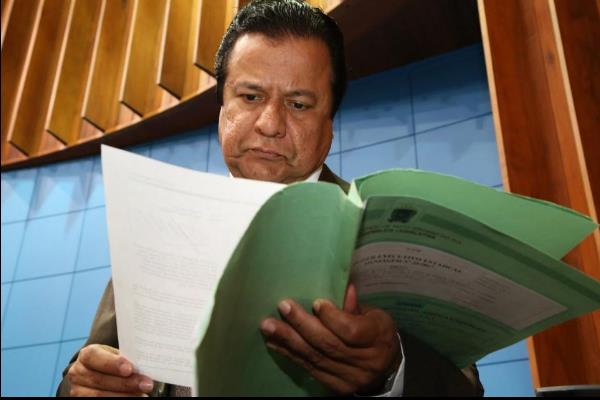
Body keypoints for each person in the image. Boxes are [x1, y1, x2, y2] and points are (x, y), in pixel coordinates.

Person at [57, 0, 483, 396]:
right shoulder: (161, 225)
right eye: (250, 97)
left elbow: (463, 388)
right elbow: (90, 371)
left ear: (330, 123)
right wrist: (84, 385)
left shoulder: (388, 235)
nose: (270, 123)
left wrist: (392, 369)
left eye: (298, 104)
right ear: (221, 108)